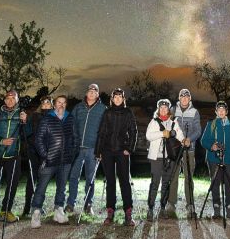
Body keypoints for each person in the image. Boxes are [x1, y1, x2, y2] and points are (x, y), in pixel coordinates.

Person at [30, 94, 77, 228]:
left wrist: (71, 154)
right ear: (54, 104)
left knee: (61, 188)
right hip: (49, 161)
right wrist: (46, 156)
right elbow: (38, 140)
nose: (61, 105)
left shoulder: (70, 118)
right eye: (58, 102)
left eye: (64, 102)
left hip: (65, 161)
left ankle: (58, 211)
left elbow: (76, 138)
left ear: (66, 105)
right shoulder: (46, 119)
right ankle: (36, 212)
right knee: (41, 187)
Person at [0, 90, 28, 224]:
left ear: (17, 100)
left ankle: (6, 211)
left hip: (13, 154)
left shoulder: (22, 114)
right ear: (4, 100)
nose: (10, 100)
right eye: (8, 98)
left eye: (13, 98)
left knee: (12, 183)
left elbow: (28, 133)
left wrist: (25, 121)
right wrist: (1, 141)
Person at [95, 87, 138, 226]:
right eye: (115, 97)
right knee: (110, 182)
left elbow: (133, 131)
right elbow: (101, 132)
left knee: (124, 181)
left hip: (122, 151)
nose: (118, 99)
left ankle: (128, 212)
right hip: (107, 151)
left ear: (123, 99)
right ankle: (110, 211)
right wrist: (98, 151)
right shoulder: (107, 112)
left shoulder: (128, 112)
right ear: (112, 99)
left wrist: (129, 148)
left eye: (120, 97)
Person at [65, 83, 106, 215]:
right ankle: (70, 203)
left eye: (95, 91)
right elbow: (71, 124)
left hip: (92, 149)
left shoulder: (103, 109)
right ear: (87, 93)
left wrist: (101, 148)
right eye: (90, 90)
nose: (92, 92)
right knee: (73, 176)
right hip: (77, 148)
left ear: (98, 94)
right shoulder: (78, 107)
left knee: (90, 178)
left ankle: (88, 204)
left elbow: (104, 130)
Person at [144, 98, 185, 221]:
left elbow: (180, 135)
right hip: (156, 157)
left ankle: (162, 208)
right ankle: (150, 208)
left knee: (166, 184)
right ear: (158, 109)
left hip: (169, 158)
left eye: (165, 108)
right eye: (161, 108)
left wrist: (184, 140)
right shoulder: (154, 122)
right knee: (155, 183)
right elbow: (148, 136)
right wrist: (162, 134)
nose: (163, 109)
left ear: (168, 109)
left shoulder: (173, 122)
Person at [200, 101, 230, 220]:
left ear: (226, 112)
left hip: (229, 160)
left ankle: (229, 210)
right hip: (213, 159)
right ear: (216, 112)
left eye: (223, 110)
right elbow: (203, 141)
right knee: (215, 184)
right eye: (219, 110)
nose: (221, 111)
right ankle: (216, 209)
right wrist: (211, 146)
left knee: (229, 184)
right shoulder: (211, 124)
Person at [167, 88, 201, 218]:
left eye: (187, 97)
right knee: (173, 176)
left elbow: (198, 130)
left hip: (189, 149)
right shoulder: (172, 110)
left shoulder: (194, 112)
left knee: (189, 177)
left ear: (190, 98)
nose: (185, 99)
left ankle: (190, 205)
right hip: (175, 150)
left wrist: (189, 139)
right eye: (182, 96)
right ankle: (171, 204)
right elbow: (167, 126)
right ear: (179, 98)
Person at [21, 95, 52, 217]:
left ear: (52, 105)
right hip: (34, 152)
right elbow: (27, 132)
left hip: (46, 153)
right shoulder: (34, 116)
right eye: (43, 103)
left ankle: (38, 206)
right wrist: (24, 122)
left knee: (42, 181)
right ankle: (27, 206)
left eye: (48, 103)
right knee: (31, 179)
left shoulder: (55, 117)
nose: (45, 104)